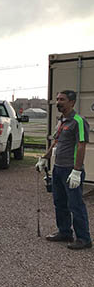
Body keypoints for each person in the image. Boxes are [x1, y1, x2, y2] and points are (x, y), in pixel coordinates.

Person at [36, 90, 91, 250]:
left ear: (72, 102)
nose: (58, 102)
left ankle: (84, 238)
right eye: (58, 99)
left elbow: (81, 146)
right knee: (59, 202)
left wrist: (77, 170)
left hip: (71, 170)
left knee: (75, 204)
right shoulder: (61, 121)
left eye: (62, 100)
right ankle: (65, 232)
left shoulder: (78, 121)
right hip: (58, 168)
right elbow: (56, 142)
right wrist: (45, 158)